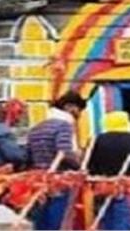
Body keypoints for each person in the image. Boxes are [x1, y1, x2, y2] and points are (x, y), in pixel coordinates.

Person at [26, 91, 86, 231]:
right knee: (57, 220)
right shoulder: (64, 125)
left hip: (39, 179)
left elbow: (28, 155)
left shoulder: (36, 128)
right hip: (59, 180)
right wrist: (80, 165)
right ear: (69, 106)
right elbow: (64, 152)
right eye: (78, 109)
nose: (79, 114)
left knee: (41, 221)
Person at [88, 111, 130, 231]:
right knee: (123, 218)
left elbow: (91, 165)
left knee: (105, 218)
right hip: (127, 186)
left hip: (103, 185)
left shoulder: (97, 140)